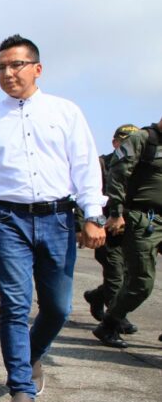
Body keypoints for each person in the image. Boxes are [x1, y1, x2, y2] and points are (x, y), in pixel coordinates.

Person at [0, 34, 106, 402]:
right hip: (7, 219)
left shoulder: (65, 112)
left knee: (58, 306)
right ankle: (21, 390)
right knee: (14, 304)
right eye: (1, 67)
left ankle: (31, 355)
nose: (8, 73)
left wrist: (94, 215)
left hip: (59, 217)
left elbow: (85, 167)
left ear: (37, 68)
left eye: (16, 65)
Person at [93, 117, 162, 348]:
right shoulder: (142, 139)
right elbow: (118, 175)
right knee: (141, 282)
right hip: (143, 218)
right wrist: (116, 213)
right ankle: (109, 324)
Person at [82, 125, 140, 332]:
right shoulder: (100, 165)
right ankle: (117, 319)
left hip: (132, 229)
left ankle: (97, 296)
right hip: (105, 228)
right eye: (124, 141)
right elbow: (84, 193)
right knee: (115, 272)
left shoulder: (141, 167)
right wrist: (82, 224)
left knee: (129, 276)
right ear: (115, 142)